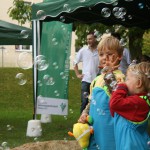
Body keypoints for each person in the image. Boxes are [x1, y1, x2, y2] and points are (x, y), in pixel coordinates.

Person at [78, 35, 125, 150]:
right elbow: (91, 101)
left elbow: (117, 97)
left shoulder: (121, 78)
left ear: (119, 56)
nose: (105, 58)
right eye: (101, 54)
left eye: (109, 54)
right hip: (95, 129)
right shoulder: (96, 79)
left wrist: (109, 74)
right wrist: (84, 113)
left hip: (111, 131)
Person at [110, 62, 150, 150]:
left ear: (138, 83)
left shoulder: (139, 102)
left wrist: (121, 87)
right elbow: (114, 111)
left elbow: (114, 104)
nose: (124, 82)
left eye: (127, 79)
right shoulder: (132, 101)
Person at [74, 32, 99, 113]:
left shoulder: (99, 51)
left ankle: (91, 120)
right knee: (84, 101)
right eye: (87, 39)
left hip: (96, 81)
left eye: (90, 39)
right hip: (85, 80)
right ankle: (81, 122)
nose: (88, 41)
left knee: (94, 102)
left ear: (95, 39)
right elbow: (75, 62)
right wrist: (77, 74)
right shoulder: (83, 50)